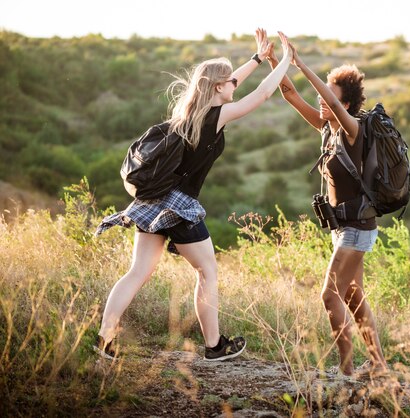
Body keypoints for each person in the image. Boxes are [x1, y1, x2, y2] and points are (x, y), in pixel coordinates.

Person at [94, 29, 293, 362]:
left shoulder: (187, 116)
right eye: (229, 82)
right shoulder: (217, 116)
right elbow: (261, 93)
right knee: (207, 272)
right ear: (217, 88)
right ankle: (215, 346)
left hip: (153, 202)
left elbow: (234, 84)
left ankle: (104, 339)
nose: (234, 84)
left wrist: (258, 58)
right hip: (180, 206)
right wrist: (287, 59)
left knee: (137, 272)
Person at [267, 41, 387, 377]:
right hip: (344, 229)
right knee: (351, 296)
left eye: (329, 96)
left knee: (329, 296)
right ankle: (378, 366)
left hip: (357, 230)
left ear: (345, 103)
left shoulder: (353, 130)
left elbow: (329, 99)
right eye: (322, 96)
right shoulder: (327, 130)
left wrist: (301, 62)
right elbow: (290, 94)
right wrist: (275, 60)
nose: (321, 100)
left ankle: (346, 371)